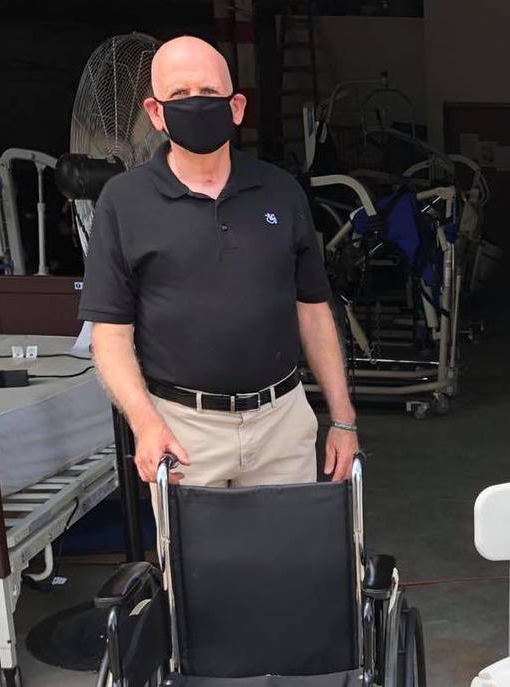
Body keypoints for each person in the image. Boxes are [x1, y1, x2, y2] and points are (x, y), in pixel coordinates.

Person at [79, 35, 357, 487]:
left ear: (237, 107)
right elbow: (110, 335)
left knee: (292, 557)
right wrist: (146, 425)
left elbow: (313, 312)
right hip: (183, 432)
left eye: (209, 93)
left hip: (281, 424)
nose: (196, 104)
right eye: (180, 95)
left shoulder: (281, 191)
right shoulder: (123, 202)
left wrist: (343, 419)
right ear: (155, 112)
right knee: (195, 560)